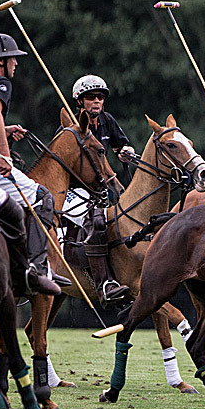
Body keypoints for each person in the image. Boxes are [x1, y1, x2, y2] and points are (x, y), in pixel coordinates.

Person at [0, 33, 61, 296]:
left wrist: (5, 129)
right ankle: (36, 271)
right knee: (43, 199)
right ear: (0, 61)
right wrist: (5, 154)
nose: (16, 63)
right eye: (13, 58)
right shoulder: (0, 83)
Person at [62, 74, 136, 305]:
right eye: (91, 97)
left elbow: (121, 144)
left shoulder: (107, 120)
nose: (97, 101)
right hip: (74, 188)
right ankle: (104, 282)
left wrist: (126, 151)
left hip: (100, 189)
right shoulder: (71, 127)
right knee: (96, 221)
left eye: (100, 97)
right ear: (79, 102)